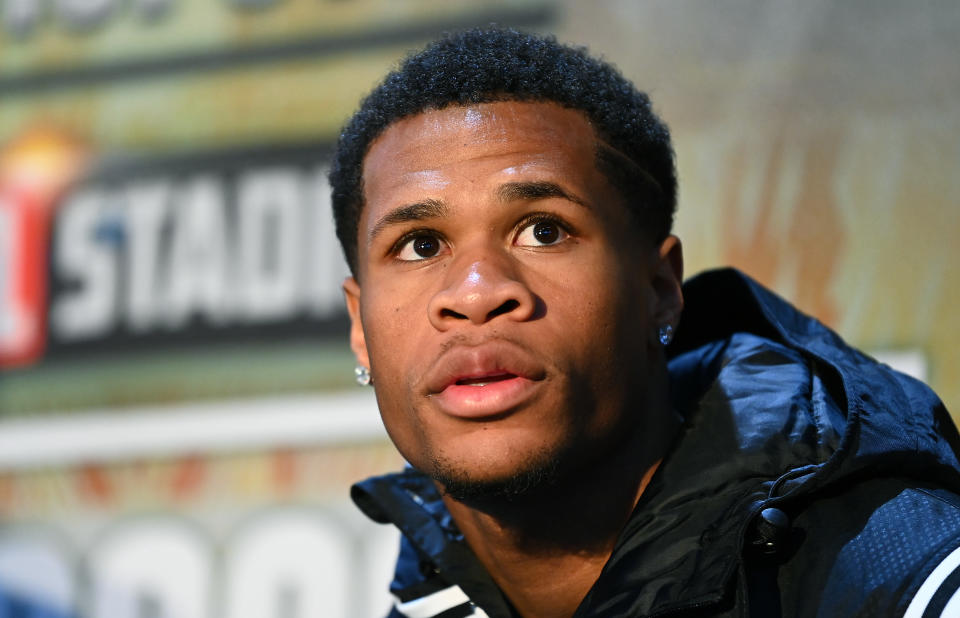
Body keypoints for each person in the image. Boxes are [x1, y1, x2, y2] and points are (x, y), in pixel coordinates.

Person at [330, 28, 960, 618]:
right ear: (361, 326)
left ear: (660, 291)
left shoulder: (904, 574)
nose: (474, 294)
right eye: (418, 245)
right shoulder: (428, 596)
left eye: (543, 231)